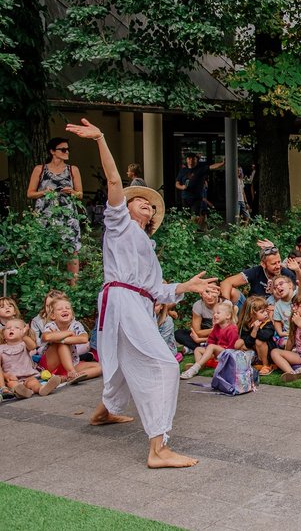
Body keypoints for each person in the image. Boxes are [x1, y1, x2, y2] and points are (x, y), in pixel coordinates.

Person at [66, 117, 218, 469]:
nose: (147, 206)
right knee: (165, 365)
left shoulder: (146, 245)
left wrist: (187, 286)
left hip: (134, 303)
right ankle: (158, 449)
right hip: (122, 300)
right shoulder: (119, 225)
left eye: (151, 206)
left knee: (120, 365)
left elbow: (157, 290)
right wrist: (102, 138)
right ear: (126, 206)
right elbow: (115, 180)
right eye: (141, 202)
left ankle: (104, 413)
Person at [26, 137, 83, 283]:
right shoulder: (40, 169)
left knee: (71, 249)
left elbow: (80, 194)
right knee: (45, 249)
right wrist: (44, 192)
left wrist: (71, 191)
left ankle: (74, 287)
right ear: (52, 151)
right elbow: (30, 193)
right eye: (63, 149)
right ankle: (48, 284)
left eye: (68, 149)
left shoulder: (72, 169)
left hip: (67, 215)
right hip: (46, 215)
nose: (67, 152)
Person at [1, 318, 63, 399]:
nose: (12, 329)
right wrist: (5, 375)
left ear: (24, 331)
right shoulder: (1, 348)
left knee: (33, 383)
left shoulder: (24, 344)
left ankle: (41, 389)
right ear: (3, 333)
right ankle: (23, 392)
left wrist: (24, 336)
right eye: (8, 328)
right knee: (13, 384)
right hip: (13, 378)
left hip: (29, 375)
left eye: (17, 328)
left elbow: (32, 346)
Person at [220, 246, 297, 306]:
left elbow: (294, 298)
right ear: (263, 264)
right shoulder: (256, 271)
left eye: (279, 262)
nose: (278, 266)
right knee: (232, 292)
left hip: (276, 310)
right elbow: (226, 282)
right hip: (252, 308)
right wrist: (227, 305)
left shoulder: (288, 274)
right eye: (274, 263)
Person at [179, 301, 239, 379]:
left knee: (211, 347)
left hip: (228, 353)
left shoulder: (232, 329)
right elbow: (211, 340)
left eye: (218, 313)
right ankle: (200, 366)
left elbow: (232, 347)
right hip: (217, 351)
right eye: (214, 313)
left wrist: (213, 350)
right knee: (197, 349)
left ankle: (195, 368)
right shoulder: (217, 327)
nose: (214, 315)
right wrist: (210, 352)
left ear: (228, 316)